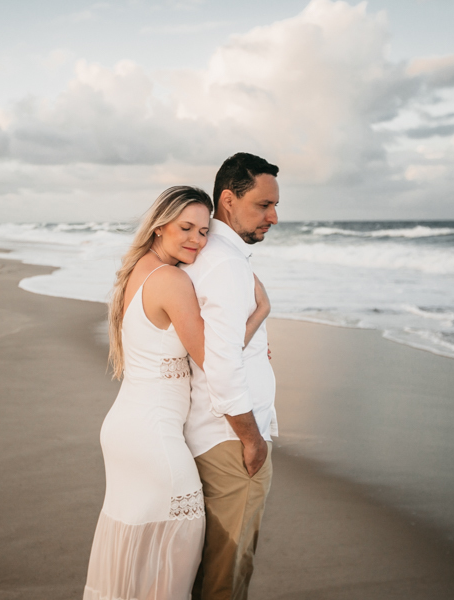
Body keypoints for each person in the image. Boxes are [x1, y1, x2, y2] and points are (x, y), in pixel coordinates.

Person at [84, 186, 271, 600]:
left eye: (204, 231)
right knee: (173, 563)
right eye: (186, 228)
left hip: (126, 429)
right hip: (155, 439)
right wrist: (260, 313)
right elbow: (212, 358)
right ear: (159, 227)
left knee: (136, 560)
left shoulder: (138, 272)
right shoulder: (171, 280)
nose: (197, 240)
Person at [182, 152, 279, 600]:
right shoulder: (224, 263)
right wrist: (252, 439)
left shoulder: (212, 256)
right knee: (228, 574)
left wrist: (259, 321)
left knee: (214, 569)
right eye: (263, 205)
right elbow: (220, 364)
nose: (273, 217)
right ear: (228, 200)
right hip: (231, 443)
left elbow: (217, 346)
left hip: (217, 434)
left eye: (274, 206)